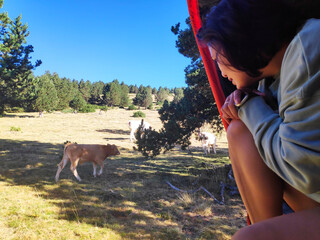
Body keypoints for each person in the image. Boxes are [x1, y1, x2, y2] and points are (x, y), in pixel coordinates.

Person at [197, 0, 320, 239]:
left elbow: (304, 171)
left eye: (218, 58)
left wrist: (251, 105)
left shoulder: (309, 46)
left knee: (249, 238)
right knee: (239, 132)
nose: (221, 72)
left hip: (309, 179)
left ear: (241, 39)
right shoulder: (273, 81)